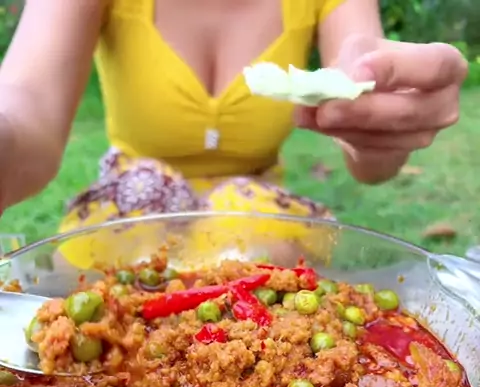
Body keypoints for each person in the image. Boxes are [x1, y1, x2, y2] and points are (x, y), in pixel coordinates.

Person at [0, 0, 468, 254]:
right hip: (127, 217)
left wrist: (382, 121)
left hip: (260, 226)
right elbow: (27, 102)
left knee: (259, 249)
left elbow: (369, 151)